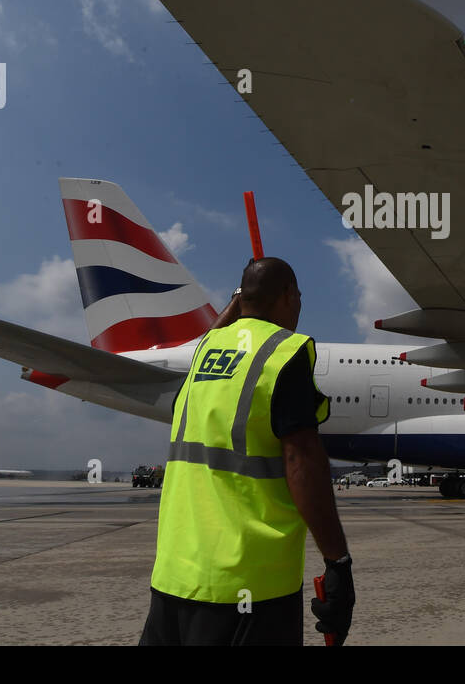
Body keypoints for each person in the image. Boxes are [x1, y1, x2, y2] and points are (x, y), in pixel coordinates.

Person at [140, 257, 354, 646]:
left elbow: (211, 335)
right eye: (300, 296)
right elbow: (302, 464)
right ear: (288, 296)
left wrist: (240, 297)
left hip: (174, 581)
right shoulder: (284, 354)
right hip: (249, 585)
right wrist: (337, 561)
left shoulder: (205, 354)